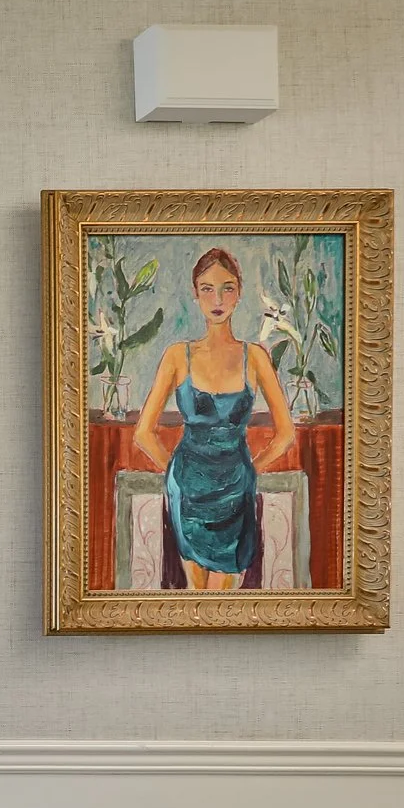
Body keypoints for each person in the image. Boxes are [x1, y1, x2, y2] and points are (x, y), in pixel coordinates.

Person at [128, 247, 298, 590]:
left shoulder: (256, 357)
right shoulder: (177, 356)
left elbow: (286, 434)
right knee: (196, 596)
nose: (217, 299)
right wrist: (177, 474)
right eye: (207, 289)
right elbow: (143, 433)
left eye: (227, 288)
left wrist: (249, 471)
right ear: (195, 294)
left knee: (223, 599)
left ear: (239, 293)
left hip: (236, 495)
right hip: (188, 495)